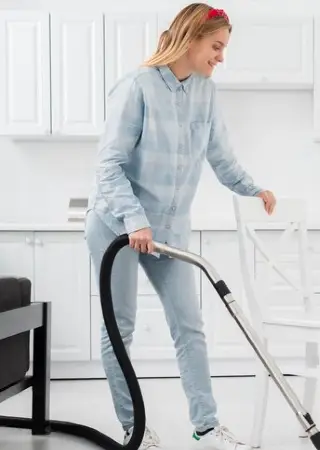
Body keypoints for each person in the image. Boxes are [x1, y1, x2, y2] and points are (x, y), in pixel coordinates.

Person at [84, 3, 274, 449]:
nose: (221, 57)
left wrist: (254, 188)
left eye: (223, 48)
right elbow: (107, 165)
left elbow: (220, 156)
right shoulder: (137, 87)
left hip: (167, 229)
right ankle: (134, 428)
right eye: (216, 46)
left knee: (189, 324)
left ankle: (206, 426)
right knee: (120, 327)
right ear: (191, 39)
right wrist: (135, 221)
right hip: (116, 225)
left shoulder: (206, 92)